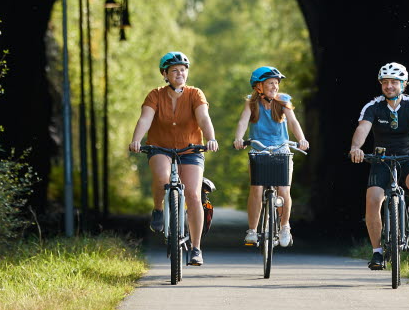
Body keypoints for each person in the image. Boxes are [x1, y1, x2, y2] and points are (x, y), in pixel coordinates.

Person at [128, 51, 219, 266]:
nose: (180, 74)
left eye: (183, 70)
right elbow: (145, 119)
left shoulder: (195, 94)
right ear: (165, 74)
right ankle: (158, 209)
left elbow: (204, 118)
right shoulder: (155, 95)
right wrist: (136, 140)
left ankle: (196, 248)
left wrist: (211, 138)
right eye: (174, 71)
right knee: (162, 177)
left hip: (191, 150)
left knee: (194, 196)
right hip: (160, 147)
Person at [348, 62, 409, 270]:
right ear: (381, 84)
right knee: (373, 199)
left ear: (404, 84)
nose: (389, 86)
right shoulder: (373, 106)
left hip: (408, 156)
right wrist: (356, 148)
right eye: (385, 82)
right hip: (381, 159)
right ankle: (377, 252)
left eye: (394, 82)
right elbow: (363, 128)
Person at [233, 66, 310, 247]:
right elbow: (243, 120)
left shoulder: (283, 100)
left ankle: (284, 227)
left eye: (276, 83)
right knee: (257, 189)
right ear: (258, 87)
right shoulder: (251, 103)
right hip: (259, 149)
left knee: (283, 189)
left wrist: (301, 139)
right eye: (270, 83)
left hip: (281, 149)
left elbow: (292, 121)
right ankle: (252, 231)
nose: (275, 86)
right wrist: (239, 138)